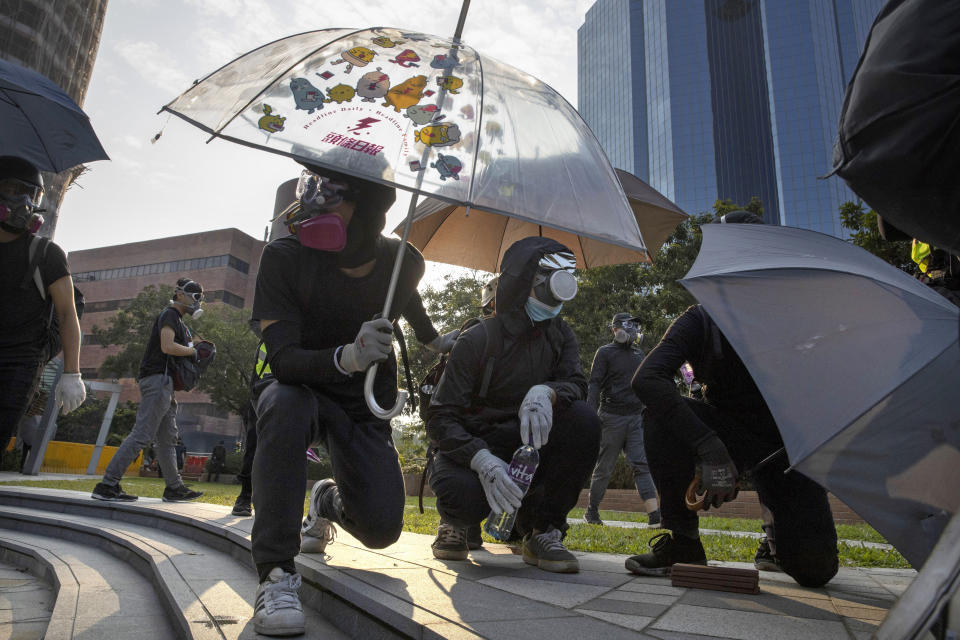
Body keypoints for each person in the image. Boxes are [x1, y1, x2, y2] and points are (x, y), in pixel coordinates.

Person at [248, 164, 455, 636]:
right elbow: (281, 360)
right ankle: (277, 573)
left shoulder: (405, 262)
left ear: (367, 208)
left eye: (326, 191)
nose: (310, 202)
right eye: (308, 187)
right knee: (284, 403)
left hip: (362, 405)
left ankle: (325, 502)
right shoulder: (284, 257)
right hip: (299, 388)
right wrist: (347, 356)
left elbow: (412, 305)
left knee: (382, 529)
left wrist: (439, 341)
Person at [625, 210, 839, 588]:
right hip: (727, 437)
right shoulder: (701, 321)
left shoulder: (800, 319)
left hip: (786, 449)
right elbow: (648, 379)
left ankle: (775, 539)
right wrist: (710, 448)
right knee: (656, 414)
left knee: (815, 570)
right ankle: (684, 541)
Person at [425, 237, 601, 573]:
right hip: (475, 451)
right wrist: (481, 460)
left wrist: (547, 392)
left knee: (585, 420)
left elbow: (577, 385)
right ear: (523, 282)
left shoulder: (560, 335)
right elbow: (440, 418)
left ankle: (543, 530)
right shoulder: (478, 338)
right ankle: (457, 523)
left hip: (527, 452)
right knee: (461, 497)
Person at [91, 278, 208, 504]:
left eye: (200, 297)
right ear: (180, 294)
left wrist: (197, 352)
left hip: (165, 384)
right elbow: (167, 346)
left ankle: (174, 488)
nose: (198, 301)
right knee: (142, 434)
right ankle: (107, 485)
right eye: (195, 296)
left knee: (166, 439)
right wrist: (193, 353)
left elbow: (177, 350)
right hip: (158, 381)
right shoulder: (170, 314)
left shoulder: (180, 322)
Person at [0, 156, 86, 450]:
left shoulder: (47, 254)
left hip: (18, 366)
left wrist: (72, 373)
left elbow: (67, 313)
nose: (23, 201)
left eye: (32, 194)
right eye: (13, 189)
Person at [584, 312, 660, 528]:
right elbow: (594, 383)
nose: (634, 330)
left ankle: (655, 516)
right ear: (616, 329)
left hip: (636, 417)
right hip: (611, 417)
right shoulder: (605, 353)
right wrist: (590, 414)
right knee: (604, 468)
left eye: (636, 326)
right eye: (629, 326)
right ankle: (592, 511)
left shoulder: (639, 353)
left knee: (641, 465)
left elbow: (643, 384)